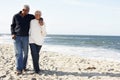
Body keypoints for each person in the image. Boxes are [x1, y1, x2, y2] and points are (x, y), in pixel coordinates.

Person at [11, 5, 34, 75]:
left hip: (26, 37)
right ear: (22, 9)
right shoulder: (16, 16)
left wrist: (41, 20)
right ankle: (19, 69)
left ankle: (23, 67)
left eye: (28, 11)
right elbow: (12, 25)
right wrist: (13, 33)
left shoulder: (30, 16)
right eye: (26, 10)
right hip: (17, 37)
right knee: (18, 53)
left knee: (26, 53)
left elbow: (37, 18)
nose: (27, 12)